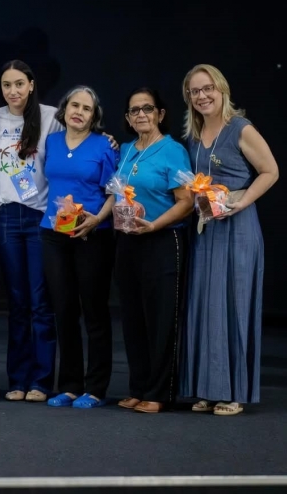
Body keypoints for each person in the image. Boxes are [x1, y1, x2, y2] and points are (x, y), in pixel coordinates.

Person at [178, 64, 278, 416]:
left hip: (237, 227)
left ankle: (232, 391)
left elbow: (271, 171)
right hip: (206, 227)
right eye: (195, 91)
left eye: (208, 89)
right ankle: (207, 387)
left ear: (222, 90)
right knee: (205, 305)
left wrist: (241, 202)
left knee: (233, 304)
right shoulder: (194, 134)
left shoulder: (240, 128)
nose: (202, 96)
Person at [112, 88, 193, 414]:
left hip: (161, 240)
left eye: (148, 108)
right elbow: (116, 194)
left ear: (160, 114)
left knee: (161, 320)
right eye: (134, 110)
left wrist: (155, 225)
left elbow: (186, 202)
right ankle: (139, 387)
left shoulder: (172, 151)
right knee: (133, 319)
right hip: (129, 241)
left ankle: (159, 392)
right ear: (129, 119)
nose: (141, 114)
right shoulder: (127, 150)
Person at [40, 85, 118, 409]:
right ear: (64, 109)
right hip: (53, 233)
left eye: (87, 108)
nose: (80, 112)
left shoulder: (104, 146)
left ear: (94, 116)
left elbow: (116, 191)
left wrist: (98, 219)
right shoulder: (52, 141)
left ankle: (96, 388)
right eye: (75, 105)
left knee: (94, 311)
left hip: (92, 234)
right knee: (64, 311)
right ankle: (70, 385)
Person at [0, 60, 62, 403]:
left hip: (39, 217)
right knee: (16, 302)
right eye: (6, 85)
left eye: (19, 83)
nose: (13, 91)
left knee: (40, 302)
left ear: (31, 84)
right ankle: (17, 380)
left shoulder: (52, 116)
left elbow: (78, 138)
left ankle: (42, 381)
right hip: (6, 217)